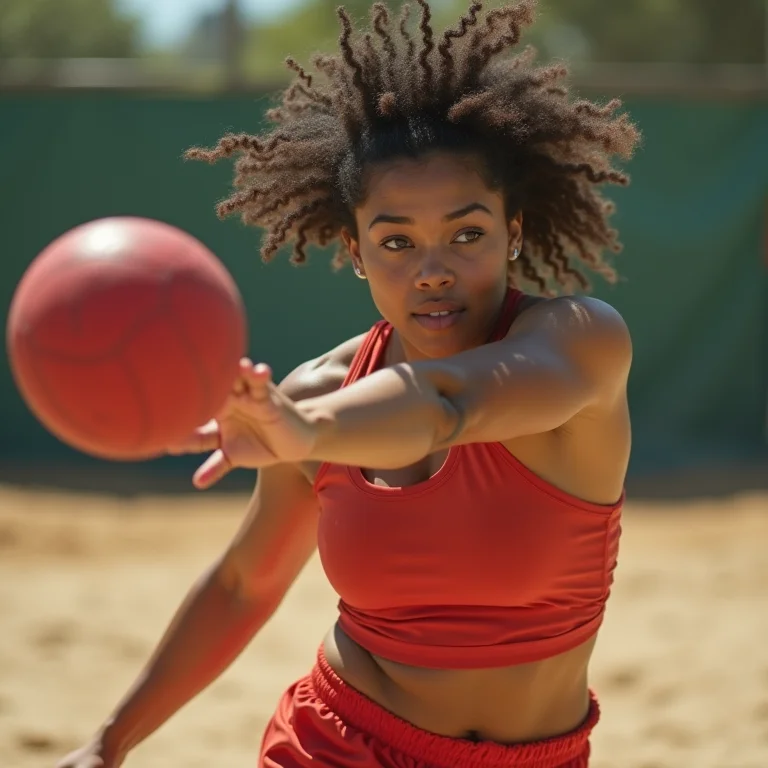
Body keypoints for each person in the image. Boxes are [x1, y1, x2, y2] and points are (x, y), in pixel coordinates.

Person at [56, 1, 640, 766]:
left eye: (467, 233)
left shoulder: (581, 342)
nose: (433, 268)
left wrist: (312, 429)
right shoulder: (315, 393)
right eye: (395, 240)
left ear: (515, 231)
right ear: (354, 249)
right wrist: (108, 744)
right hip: (339, 743)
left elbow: (447, 402)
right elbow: (243, 584)